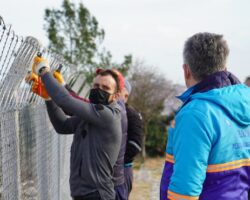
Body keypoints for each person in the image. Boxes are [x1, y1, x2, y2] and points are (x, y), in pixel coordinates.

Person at [160, 32, 250, 200]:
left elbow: (184, 193)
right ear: (224, 68)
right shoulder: (246, 103)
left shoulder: (195, 113)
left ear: (186, 70)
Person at [30, 56, 124, 200]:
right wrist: (49, 99)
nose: (99, 90)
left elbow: (66, 101)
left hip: (97, 195)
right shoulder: (92, 115)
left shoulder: (108, 116)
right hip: (83, 194)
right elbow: (62, 126)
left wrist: (44, 71)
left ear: (116, 96)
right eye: (96, 86)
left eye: (105, 88)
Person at [121, 79, 144, 197]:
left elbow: (135, 145)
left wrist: (116, 162)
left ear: (125, 95)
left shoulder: (131, 114)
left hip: (122, 171)